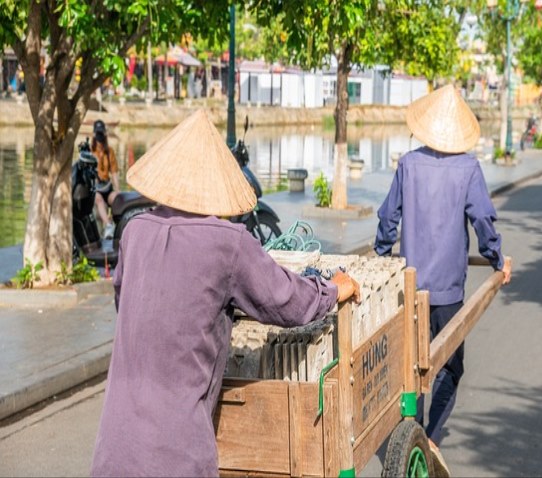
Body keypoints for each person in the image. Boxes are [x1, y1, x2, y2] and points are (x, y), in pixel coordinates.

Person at [90, 109, 361, 477]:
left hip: (114, 448)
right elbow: (286, 301)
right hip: (178, 454)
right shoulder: (228, 243)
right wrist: (331, 289)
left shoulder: (134, 232)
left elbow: (127, 303)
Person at [374, 84, 512, 475]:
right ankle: (428, 433)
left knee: (413, 367)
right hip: (448, 290)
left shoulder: (408, 164)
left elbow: (388, 220)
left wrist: (384, 257)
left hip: (409, 286)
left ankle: (412, 432)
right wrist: (497, 259)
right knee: (449, 367)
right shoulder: (468, 168)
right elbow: (483, 221)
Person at [91, 120, 120, 239]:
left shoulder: (110, 151)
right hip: (96, 189)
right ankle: (108, 225)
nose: (99, 137)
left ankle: (115, 226)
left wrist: (118, 190)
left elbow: (114, 172)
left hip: (107, 187)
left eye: (101, 134)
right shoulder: (90, 151)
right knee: (98, 199)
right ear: (94, 134)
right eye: (97, 134)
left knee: (116, 198)